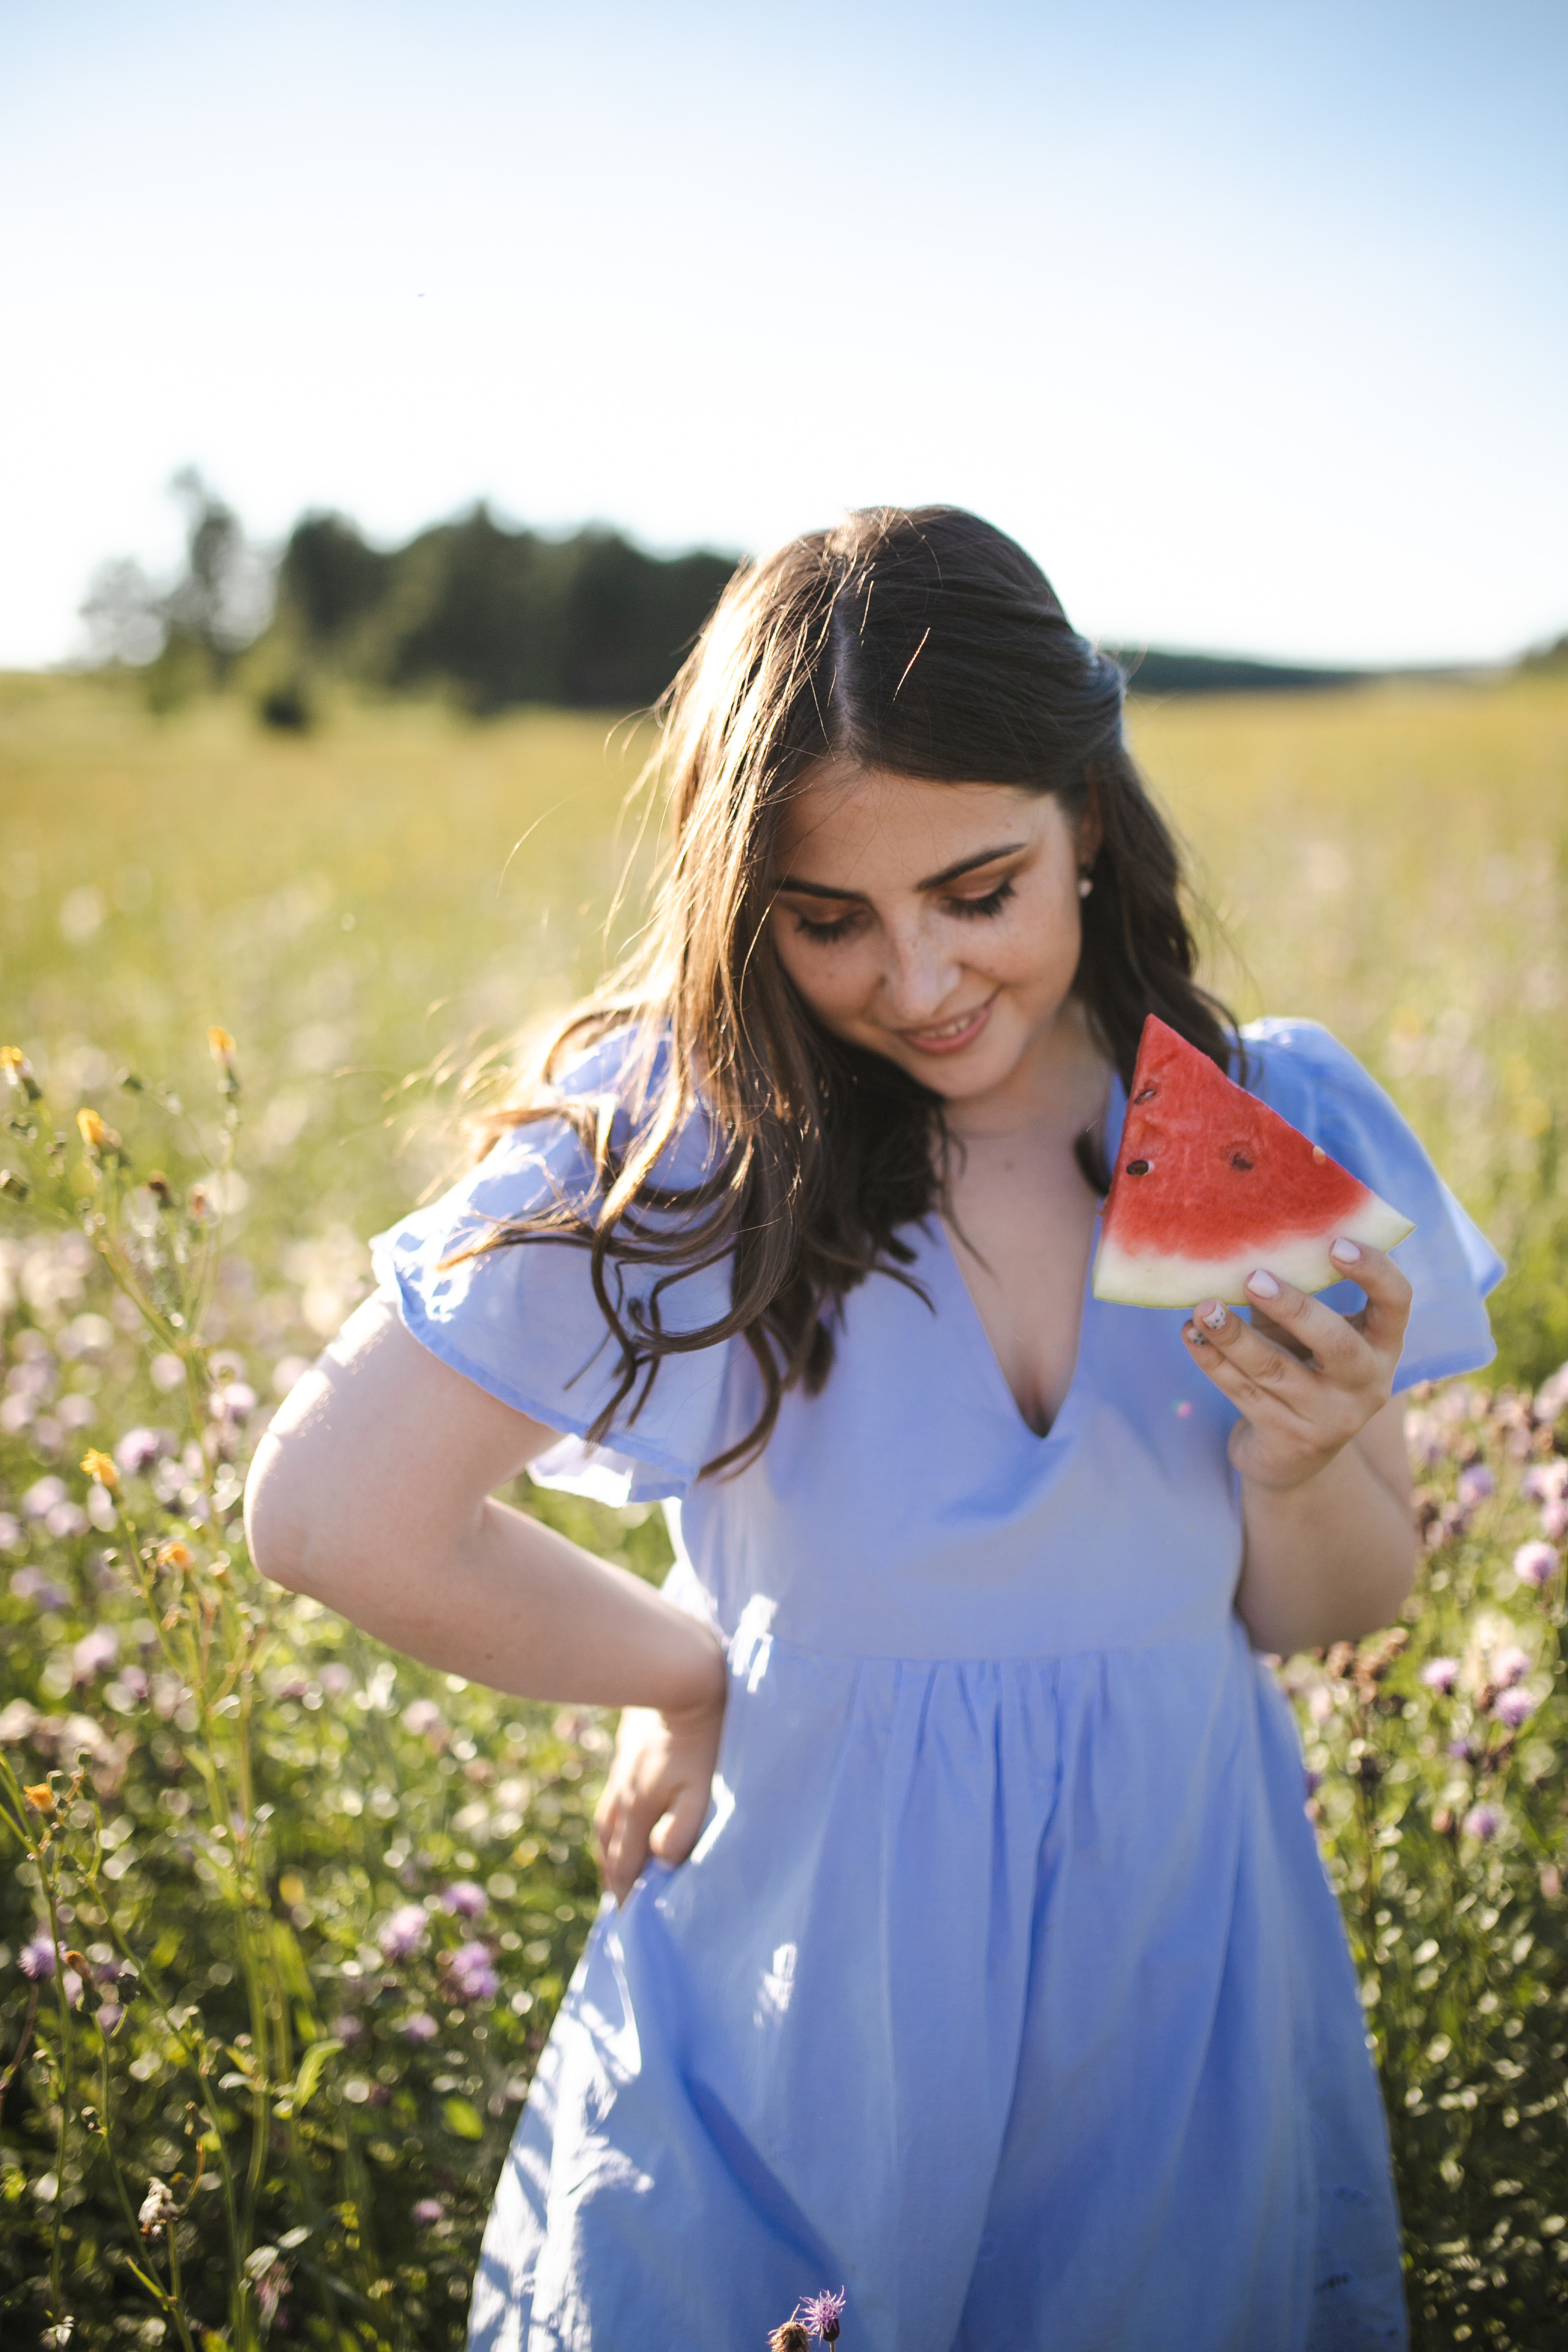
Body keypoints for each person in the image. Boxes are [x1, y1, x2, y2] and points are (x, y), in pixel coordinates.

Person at [246, 507, 1503, 2352]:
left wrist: (1301, 1461)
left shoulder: (1249, 1114)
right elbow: (329, 1513)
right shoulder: (696, 1140)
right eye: (828, 920)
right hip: (797, 1994)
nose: (914, 985)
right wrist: (689, 1671)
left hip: (1165, 1987)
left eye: (976, 889)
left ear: (1087, 811)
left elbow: (1330, 1607)